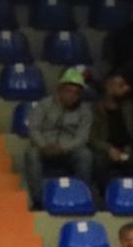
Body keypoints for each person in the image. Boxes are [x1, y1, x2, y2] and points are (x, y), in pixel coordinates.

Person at [22, 68, 94, 205]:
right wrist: (43, 146)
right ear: (60, 89)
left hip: (69, 151)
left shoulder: (85, 111)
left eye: (76, 93)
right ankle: (39, 201)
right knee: (31, 154)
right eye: (69, 91)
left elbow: (82, 137)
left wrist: (63, 148)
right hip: (44, 148)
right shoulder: (44, 105)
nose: (72, 96)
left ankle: (80, 197)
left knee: (86, 155)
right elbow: (34, 128)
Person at [89, 71, 133, 183]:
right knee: (99, 161)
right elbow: (92, 137)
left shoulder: (130, 108)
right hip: (105, 150)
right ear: (108, 86)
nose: (126, 89)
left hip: (127, 150)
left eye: (126, 86)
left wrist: (130, 146)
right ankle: (105, 196)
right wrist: (109, 149)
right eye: (121, 85)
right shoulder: (95, 109)